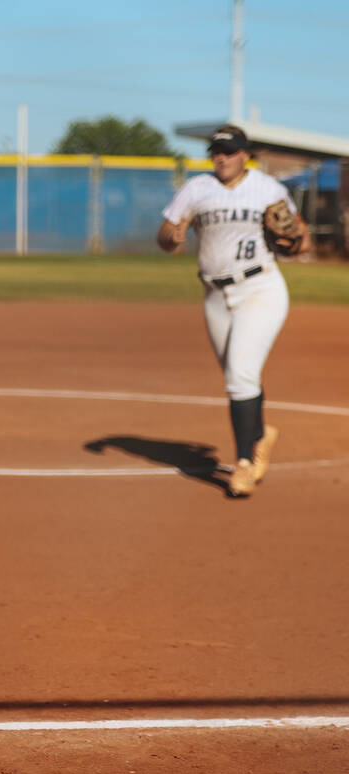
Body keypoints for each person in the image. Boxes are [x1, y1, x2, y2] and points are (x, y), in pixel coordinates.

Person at [157, 125, 311, 497]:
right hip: (215, 294)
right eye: (216, 151)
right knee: (239, 373)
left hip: (260, 288)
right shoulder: (197, 189)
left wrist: (292, 241)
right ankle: (259, 435)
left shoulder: (268, 188)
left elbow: (299, 236)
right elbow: (164, 235)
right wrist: (172, 237)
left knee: (240, 374)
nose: (221, 157)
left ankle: (243, 464)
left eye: (228, 150)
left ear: (245, 154)